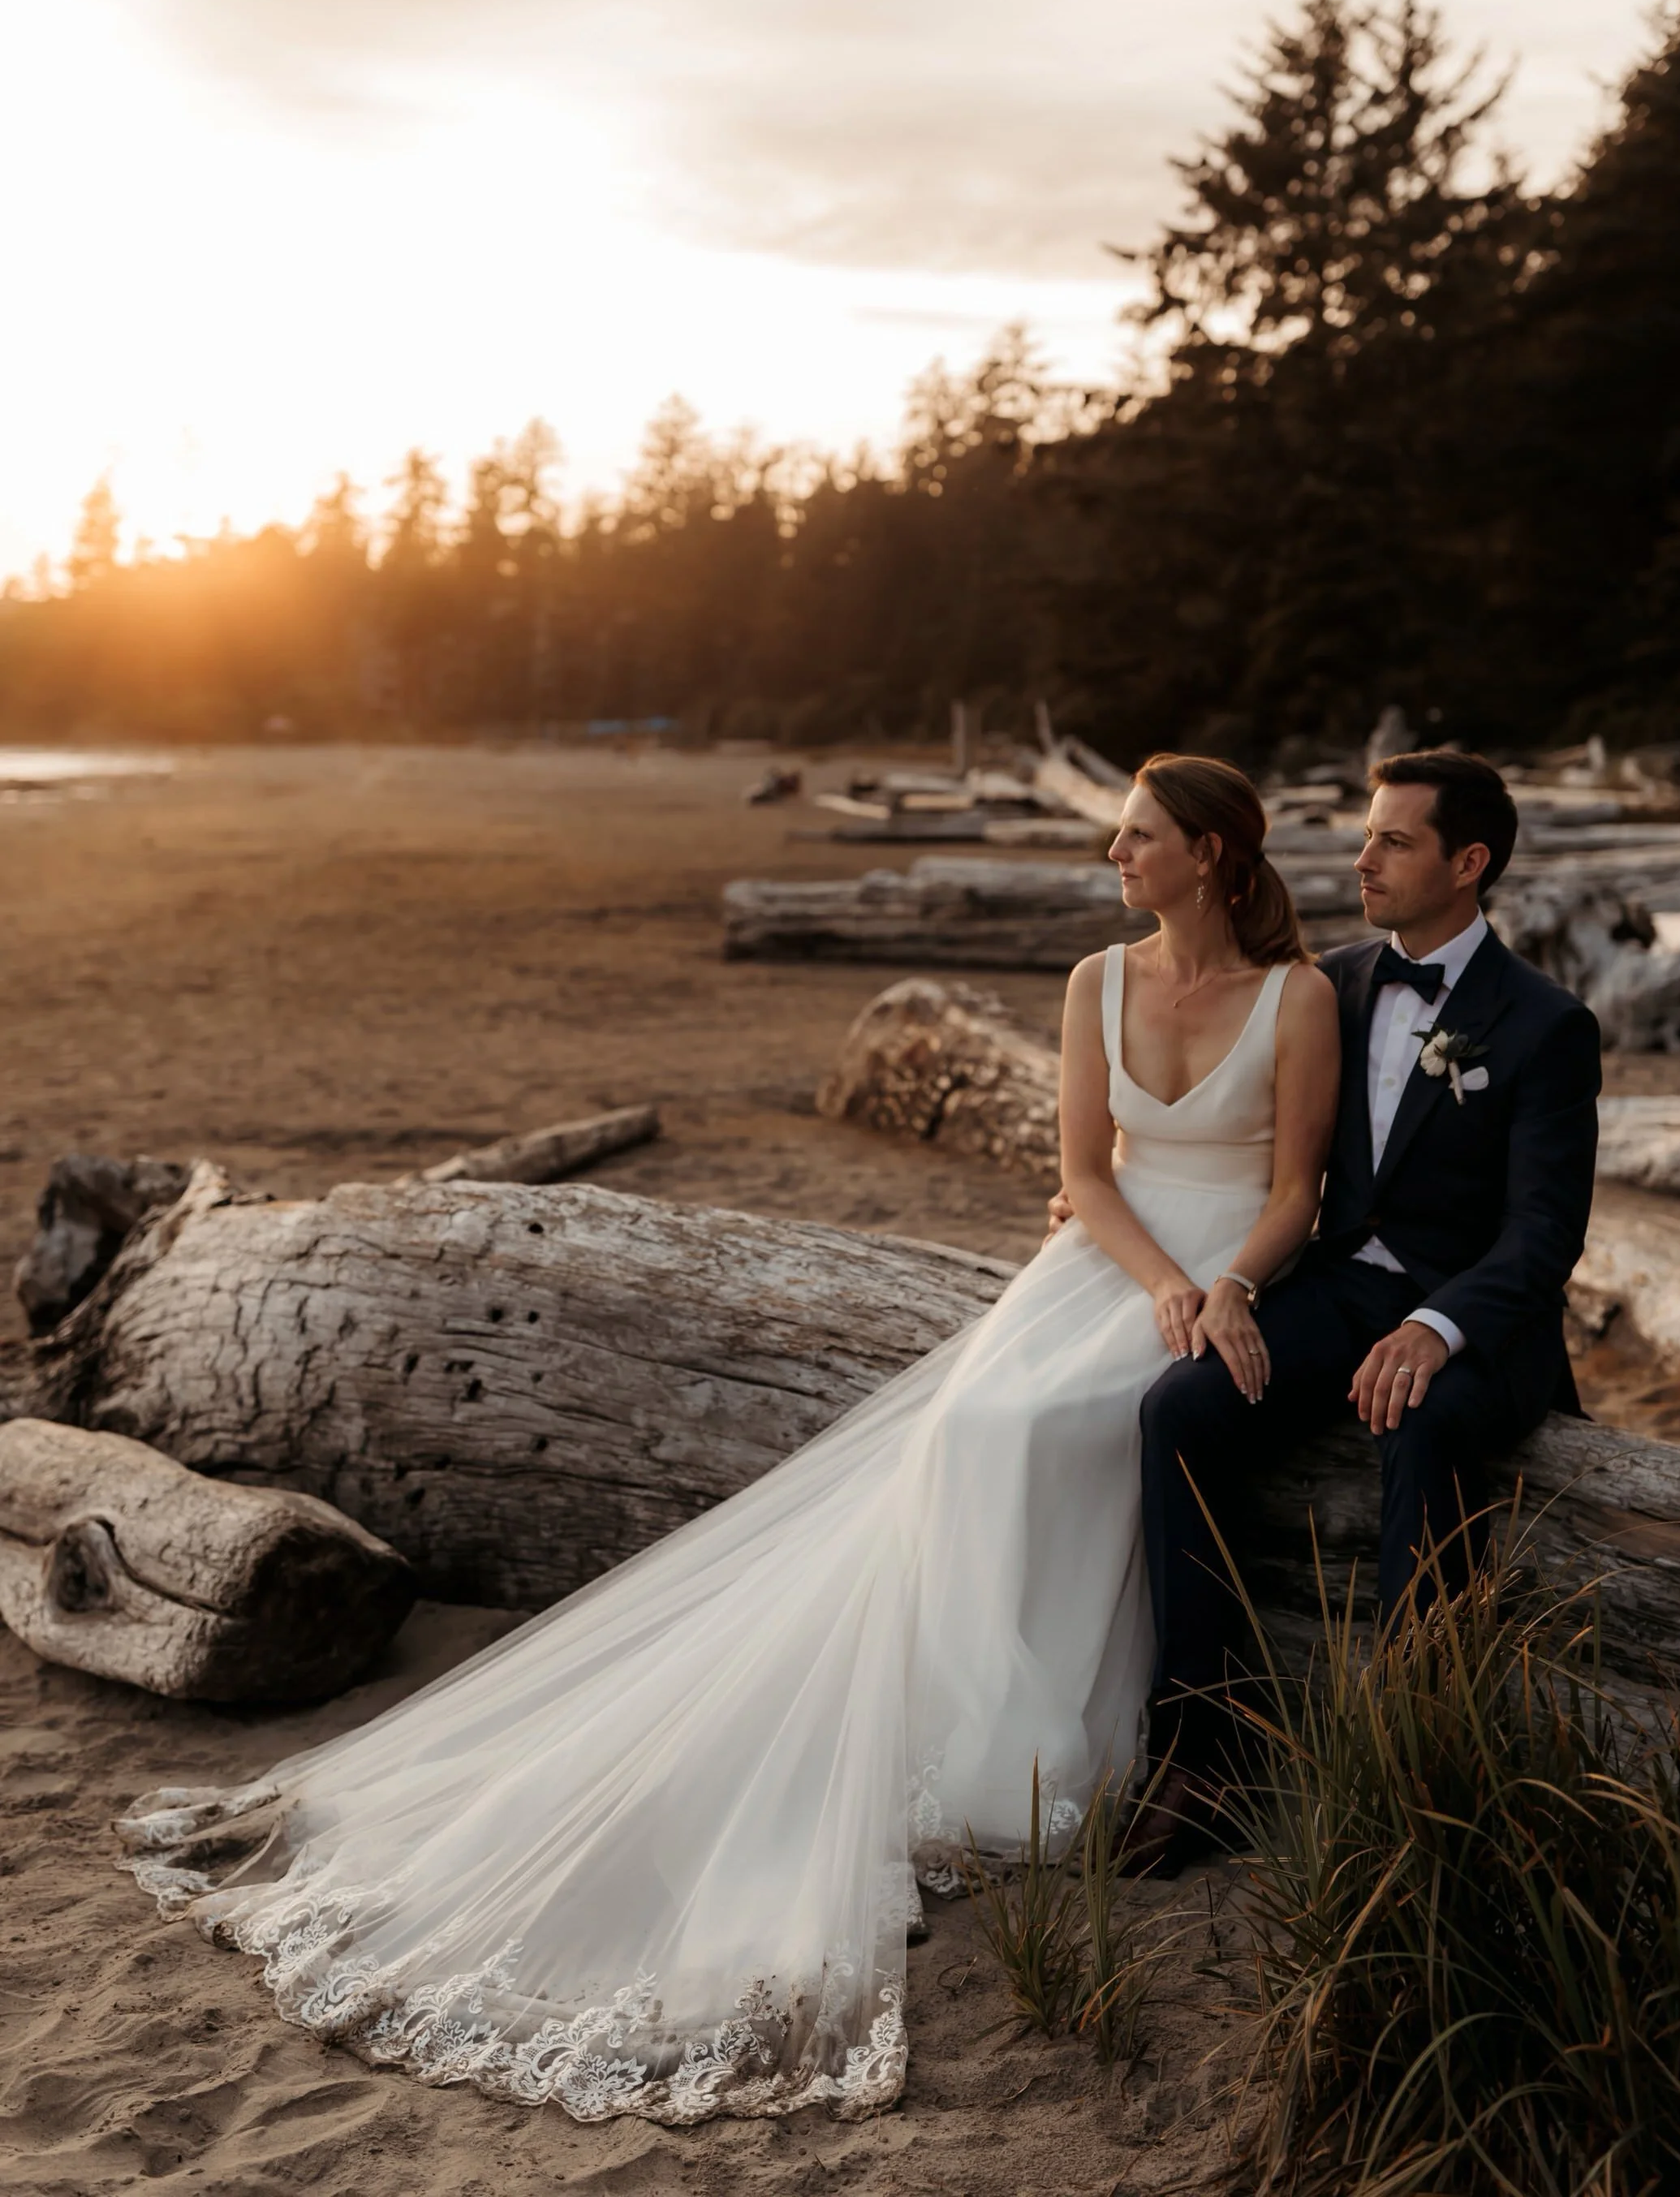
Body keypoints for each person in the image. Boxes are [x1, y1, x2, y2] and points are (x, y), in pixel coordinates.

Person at [118, 753, 1331, 2129]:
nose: (1116, 855)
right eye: (1116, 834)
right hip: (1106, 1266)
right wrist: (1156, 1281)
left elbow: (1299, 1188)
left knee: (1077, 1424)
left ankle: (1050, 1753)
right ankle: (976, 1735)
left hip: (1231, 1264)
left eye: (1141, 836)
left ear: (1212, 855)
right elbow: (1085, 1178)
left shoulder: (1296, 997)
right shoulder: (1094, 982)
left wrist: (1226, 1285)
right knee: (980, 1421)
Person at [1126, 748, 1601, 1872]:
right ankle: (1205, 1751)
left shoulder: (1546, 1023)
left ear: (1468, 864)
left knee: (1420, 1421)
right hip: (1338, 1288)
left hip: (1479, 1320)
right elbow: (1251, 1137)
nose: (1363, 859)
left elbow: (1544, 1234)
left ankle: (1410, 1771)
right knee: (1178, 1410)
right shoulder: (1326, 985)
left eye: (1394, 840)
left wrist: (1438, 1327)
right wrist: (1112, 1186)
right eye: (1366, 833)